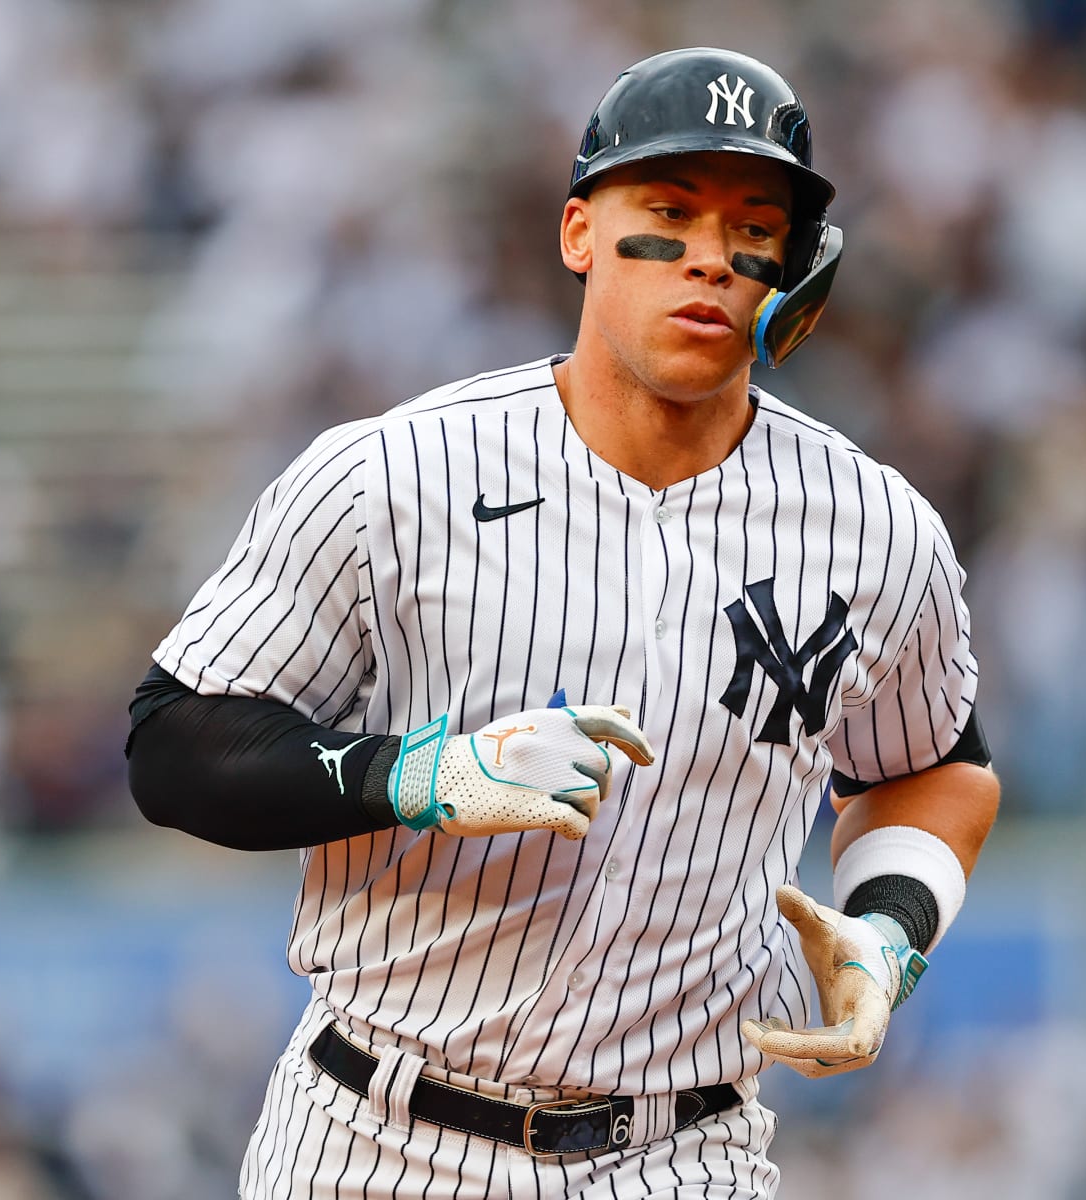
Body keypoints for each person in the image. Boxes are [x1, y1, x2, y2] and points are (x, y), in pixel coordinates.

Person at [126, 46, 1000, 1199]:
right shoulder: (396, 476)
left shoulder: (876, 530)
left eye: (753, 227)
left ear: (798, 273)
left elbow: (935, 768)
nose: (711, 257)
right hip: (377, 1133)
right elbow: (175, 747)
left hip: (682, 1149)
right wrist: (427, 775)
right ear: (580, 232)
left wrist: (888, 932)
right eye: (669, 213)